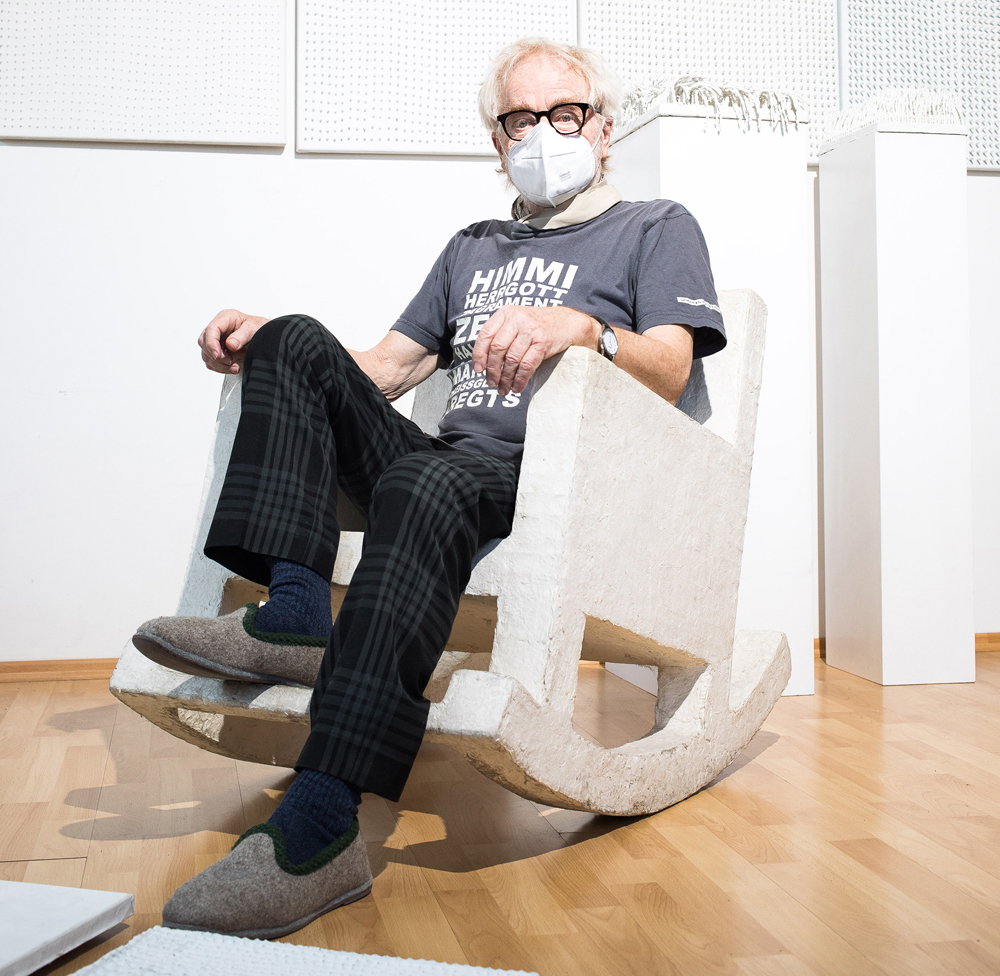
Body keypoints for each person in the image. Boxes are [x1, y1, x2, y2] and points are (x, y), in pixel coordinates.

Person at [133, 36, 726, 939]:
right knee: (295, 339)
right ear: (498, 141)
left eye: (565, 114)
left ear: (603, 129)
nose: (543, 133)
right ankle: (293, 614)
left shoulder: (654, 226)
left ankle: (320, 827)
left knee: (426, 475)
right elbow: (384, 370)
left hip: (543, 479)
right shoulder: (470, 247)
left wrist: (585, 330)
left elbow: (672, 371)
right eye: (520, 119)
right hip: (442, 465)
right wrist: (271, 341)